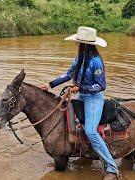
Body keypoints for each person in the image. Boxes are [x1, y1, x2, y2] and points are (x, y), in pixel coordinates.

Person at [40, 26, 119, 180]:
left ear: (85, 44)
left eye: (78, 43)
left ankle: (112, 167)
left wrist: (80, 87)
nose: (76, 45)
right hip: (82, 95)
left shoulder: (96, 62)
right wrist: (50, 84)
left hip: (94, 98)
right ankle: (82, 151)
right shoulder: (80, 58)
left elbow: (101, 85)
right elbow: (68, 74)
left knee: (90, 130)